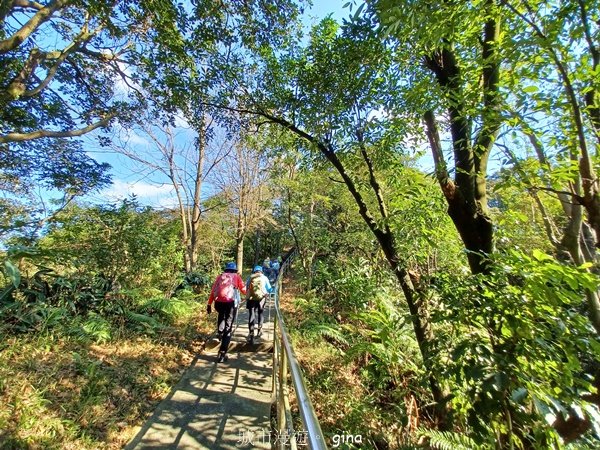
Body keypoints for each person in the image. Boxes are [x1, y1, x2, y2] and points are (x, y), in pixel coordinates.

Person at [207, 261, 247, 363]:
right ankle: (222, 353)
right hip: (230, 303)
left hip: (218, 302)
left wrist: (209, 304)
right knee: (228, 327)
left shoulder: (220, 276)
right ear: (234, 270)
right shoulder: (236, 277)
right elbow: (243, 289)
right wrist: (249, 294)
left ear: (226, 269)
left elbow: (213, 290)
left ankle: (220, 332)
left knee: (221, 315)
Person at [245, 265, 272, 344]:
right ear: (261, 271)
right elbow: (270, 289)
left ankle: (251, 334)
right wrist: (268, 292)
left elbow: (247, 288)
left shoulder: (250, 278)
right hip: (261, 298)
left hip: (251, 299)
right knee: (260, 313)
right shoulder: (264, 278)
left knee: (251, 315)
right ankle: (259, 330)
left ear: (254, 271)